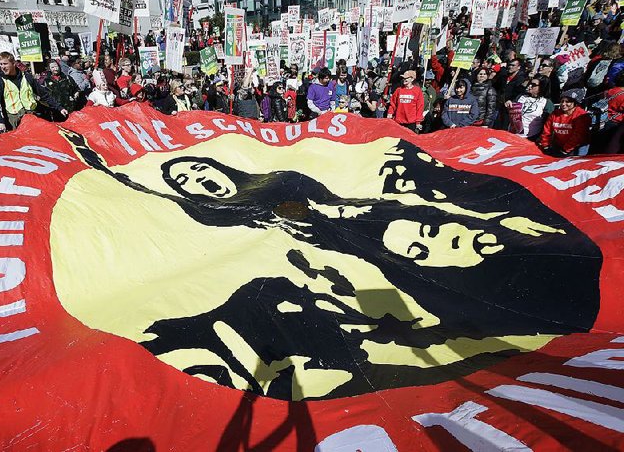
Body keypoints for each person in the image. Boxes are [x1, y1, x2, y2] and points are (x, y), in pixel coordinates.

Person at [59, 130, 601, 400]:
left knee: (430, 263)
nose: (200, 181)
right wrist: (93, 157)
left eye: (199, 170)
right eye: (188, 183)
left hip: (367, 227)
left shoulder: (283, 180)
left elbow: (344, 197)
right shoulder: (223, 218)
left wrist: (347, 217)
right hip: (337, 260)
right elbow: (135, 186)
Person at [0, 52, 67, 132]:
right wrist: (0, 121)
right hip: (14, 120)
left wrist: (59, 107)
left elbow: (44, 94)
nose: (3, 67)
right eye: (1, 64)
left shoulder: (26, 77)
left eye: (5, 64)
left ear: (13, 63)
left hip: (32, 116)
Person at [539, 88, 591, 157]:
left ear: (575, 103)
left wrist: (565, 150)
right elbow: (547, 131)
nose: (563, 104)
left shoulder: (581, 116)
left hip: (577, 146)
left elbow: (578, 136)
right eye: (562, 101)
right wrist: (546, 146)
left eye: (567, 102)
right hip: (559, 144)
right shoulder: (555, 114)